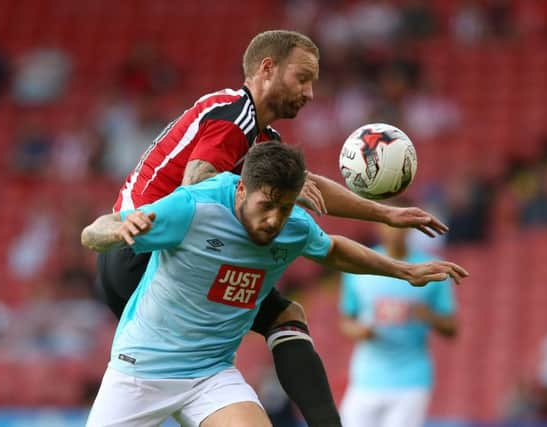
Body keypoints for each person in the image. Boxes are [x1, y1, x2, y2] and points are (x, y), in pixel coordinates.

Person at [98, 29, 449, 426]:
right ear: (267, 68)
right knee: (282, 317)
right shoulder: (236, 117)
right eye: (302, 78)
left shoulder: (260, 137)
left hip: (136, 257)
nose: (310, 92)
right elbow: (197, 186)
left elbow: (306, 184)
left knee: (274, 319)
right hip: (143, 251)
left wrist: (384, 214)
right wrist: (272, 201)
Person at [81, 142, 468, 427]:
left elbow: (333, 250)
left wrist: (405, 271)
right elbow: (93, 233)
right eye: (266, 206)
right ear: (241, 190)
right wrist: (118, 228)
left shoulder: (293, 226)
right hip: (141, 369)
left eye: (284, 208)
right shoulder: (193, 208)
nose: (274, 220)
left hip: (212, 373)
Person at [338, 216, 458, 427]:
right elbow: (347, 321)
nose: (394, 231)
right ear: (378, 226)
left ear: (410, 228)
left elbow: (452, 328)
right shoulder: (361, 265)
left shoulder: (431, 269)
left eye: (400, 226)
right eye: (389, 224)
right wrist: (361, 332)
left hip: (411, 380)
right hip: (366, 378)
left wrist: (427, 315)